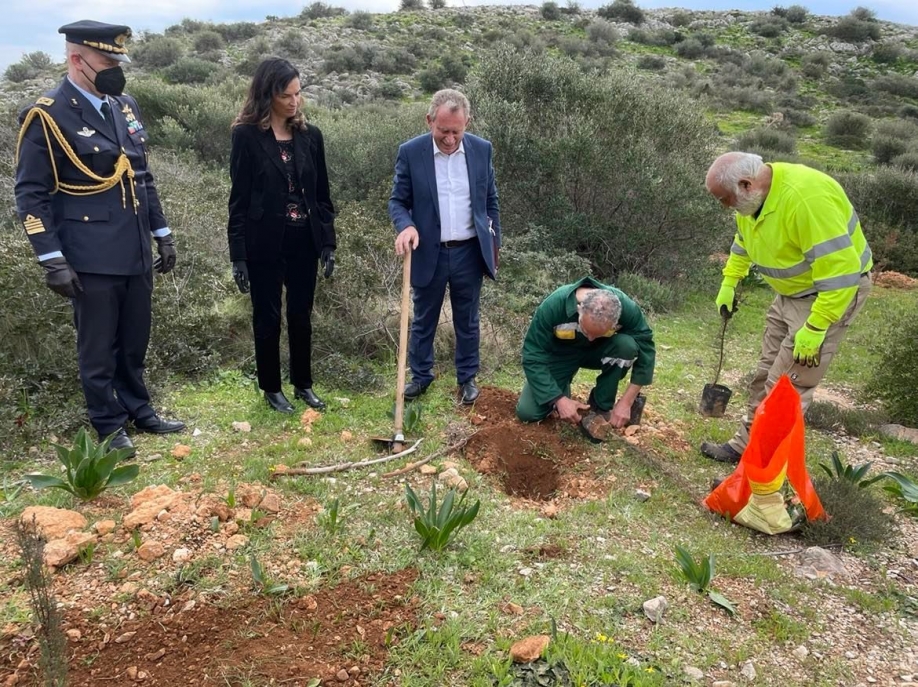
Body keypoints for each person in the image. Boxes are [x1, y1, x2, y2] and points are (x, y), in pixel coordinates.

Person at [14, 20, 185, 458]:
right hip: (88, 252)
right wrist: (51, 258)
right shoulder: (47, 114)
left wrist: (161, 234)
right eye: (107, 61)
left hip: (134, 247)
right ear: (77, 59)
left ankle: (139, 409)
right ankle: (109, 424)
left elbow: (141, 175)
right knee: (97, 347)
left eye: (118, 61)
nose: (116, 69)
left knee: (133, 338)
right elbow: (31, 193)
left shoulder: (123, 105)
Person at [700, 152, 873, 463]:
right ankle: (746, 446)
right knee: (765, 374)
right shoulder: (752, 200)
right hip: (789, 296)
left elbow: (841, 273)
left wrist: (818, 325)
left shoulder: (807, 200)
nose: (724, 206)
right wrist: (730, 281)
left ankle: (765, 467)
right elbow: (744, 241)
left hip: (828, 297)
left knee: (786, 387)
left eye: (724, 199)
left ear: (746, 184)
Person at [227, 58, 336, 413]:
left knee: (301, 315)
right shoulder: (245, 136)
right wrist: (238, 254)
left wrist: (328, 242)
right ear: (268, 94)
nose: (294, 101)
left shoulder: (311, 136)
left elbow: (322, 196)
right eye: (287, 94)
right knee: (267, 317)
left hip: (305, 239)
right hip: (263, 242)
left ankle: (303, 384)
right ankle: (271, 388)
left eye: (298, 93)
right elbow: (239, 200)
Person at [388, 89, 500, 406]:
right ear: (429, 121)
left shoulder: (482, 150)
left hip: (469, 250)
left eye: (456, 131)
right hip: (428, 251)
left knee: (468, 320)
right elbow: (397, 200)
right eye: (443, 131)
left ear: (467, 123)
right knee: (424, 319)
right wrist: (405, 225)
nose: (450, 139)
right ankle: (421, 377)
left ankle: (467, 380)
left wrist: (494, 244)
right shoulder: (411, 153)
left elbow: (491, 202)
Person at [516, 277, 656, 441]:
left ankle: (600, 406)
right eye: (585, 330)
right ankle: (561, 390)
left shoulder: (625, 307)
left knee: (626, 346)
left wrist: (627, 402)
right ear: (579, 309)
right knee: (528, 413)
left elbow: (646, 348)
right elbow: (533, 355)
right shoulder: (554, 305)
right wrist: (559, 399)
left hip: (598, 353)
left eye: (598, 334)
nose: (590, 338)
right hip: (561, 356)